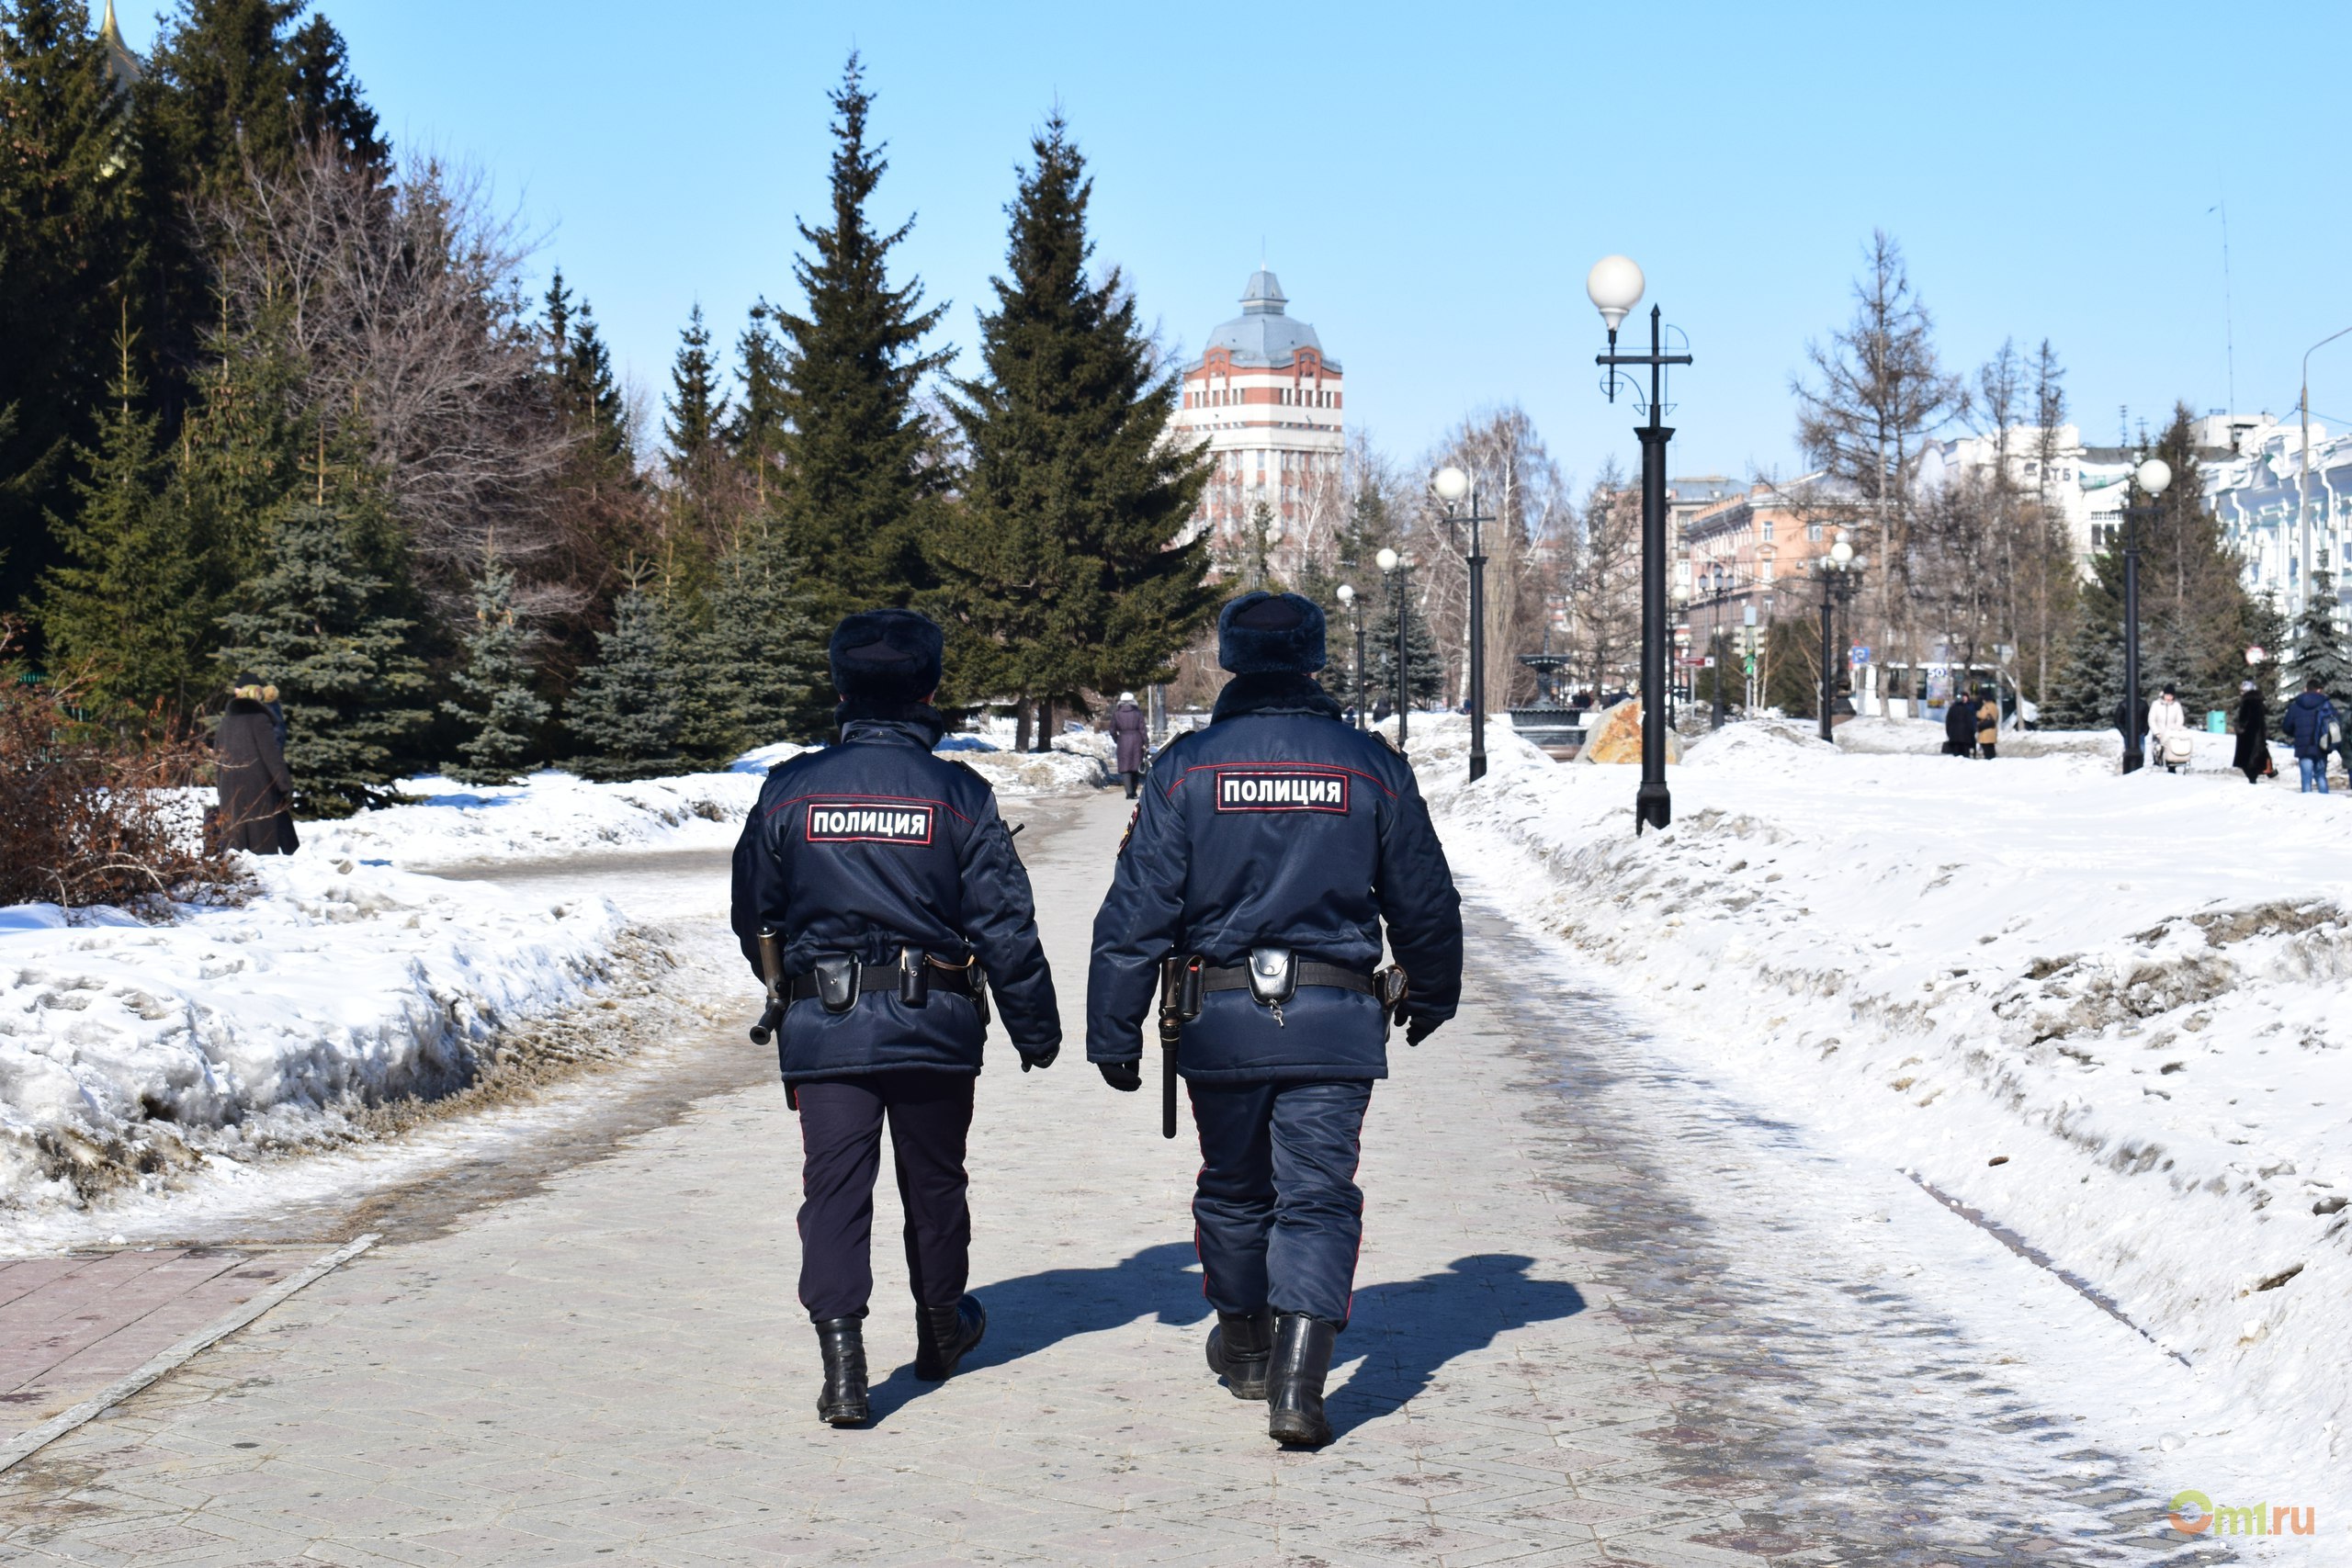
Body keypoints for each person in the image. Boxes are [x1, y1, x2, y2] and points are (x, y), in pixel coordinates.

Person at [1086, 592, 1464, 1449]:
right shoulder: (1370, 764)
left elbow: (1136, 910)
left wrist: (1113, 1027)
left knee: (1233, 1186)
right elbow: (1424, 896)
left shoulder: (1186, 768)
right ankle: (1300, 1378)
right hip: (1335, 1020)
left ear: (1228, 661)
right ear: (1316, 658)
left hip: (1217, 1018)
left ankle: (1251, 1345)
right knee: (1319, 1196)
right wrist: (1433, 989)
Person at [729, 609, 1060, 1429]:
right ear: (931, 688)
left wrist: (791, 984)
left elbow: (754, 914)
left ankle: (844, 1370)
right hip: (933, 1025)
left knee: (833, 1191)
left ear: (840, 688)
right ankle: (941, 1330)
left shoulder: (789, 789)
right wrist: (1037, 1027)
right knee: (935, 1185)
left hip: (825, 1025)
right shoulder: (960, 795)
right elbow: (1004, 925)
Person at [213, 676, 295, 853]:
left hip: (229, 783)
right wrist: (284, 784)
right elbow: (271, 755)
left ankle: (236, 872)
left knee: (235, 839)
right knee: (260, 839)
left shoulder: (225, 722)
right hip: (257, 784)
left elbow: (218, 757)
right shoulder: (260, 719)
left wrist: (220, 785)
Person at [2280, 675, 2340, 795]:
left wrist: (2297, 734)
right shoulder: (2326, 704)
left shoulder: (2295, 705)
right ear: (2318, 690)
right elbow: (2335, 724)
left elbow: (2286, 726)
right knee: (2321, 775)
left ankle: (2307, 805)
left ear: (2305, 689)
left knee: (2306, 778)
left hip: (2303, 746)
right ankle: (2325, 802)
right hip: (2321, 745)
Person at [1107, 691, 1149, 800]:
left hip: (1123, 740)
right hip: (1137, 740)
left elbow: (1112, 730)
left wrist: (1117, 739)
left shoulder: (1117, 714)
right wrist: (1146, 743)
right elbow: (1143, 730)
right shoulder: (1137, 713)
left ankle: (1129, 793)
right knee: (1135, 767)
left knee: (1125, 768)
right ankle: (1134, 792)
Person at [2232, 680, 2270, 784]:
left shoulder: (2247, 701)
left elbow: (2244, 719)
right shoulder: (2259, 701)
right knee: (2256, 758)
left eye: (2242, 691)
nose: (2241, 693)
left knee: (2247, 760)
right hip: (2258, 734)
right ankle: (2254, 778)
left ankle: (2252, 779)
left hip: (2248, 736)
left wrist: (2239, 727)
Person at [2148, 684, 2190, 773]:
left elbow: (2180, 720)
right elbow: (2152, 720)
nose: (2168, 698)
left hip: (2171, 734)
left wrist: (2175, 730)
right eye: (2167, 695)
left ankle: (2171, 769)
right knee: (2157, 751)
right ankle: (2157, 767)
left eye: (2171, 696)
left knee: (2171, 753)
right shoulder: (2156, 704)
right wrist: (2156, 732)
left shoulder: (2176, 706)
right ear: (2163, 695)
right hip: (2159, 733)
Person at [1942, 693, 1976, 758]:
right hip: (1966, 738)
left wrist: (1949, 734)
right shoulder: (1966, 709)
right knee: (1965, 757)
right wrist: (1972, 734)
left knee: (1956, 756)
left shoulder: (1952, 709)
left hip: (1954, 737)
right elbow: (1970, 723)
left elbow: (1948, 722)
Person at [1974, 685, 2001, 761]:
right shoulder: (1994, 706)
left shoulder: (1986, 706)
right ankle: (1992, 761)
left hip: (1985, 731)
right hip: (1992, 730)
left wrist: (1977, 713)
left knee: (1986, 749)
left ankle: (1989, 762)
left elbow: (1982, 715)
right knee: (1991, 748)